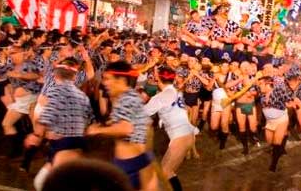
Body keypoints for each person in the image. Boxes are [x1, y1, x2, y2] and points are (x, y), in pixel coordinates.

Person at [87, 61, 157, 191]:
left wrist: (97, 130)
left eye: (108, 79)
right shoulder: (130, 96)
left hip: (129, 165)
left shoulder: (126, 99)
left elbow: (126, 129)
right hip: (139, 161)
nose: (104, 83)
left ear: (121, 79)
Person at [25, 57, 93, 191]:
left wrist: (37, 135)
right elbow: (89, 120)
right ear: (74, 77)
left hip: (63, 143)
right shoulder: (82, 95)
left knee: (45, 182)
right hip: (76, 142)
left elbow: (47, 117)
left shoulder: (56, 91)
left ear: (56, 75)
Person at [144, 66, 196, 191]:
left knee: (165, 172)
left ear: (158, 79)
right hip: (187, 135)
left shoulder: (161, 97)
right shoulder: (175, 90)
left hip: (180, 138)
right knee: (167, 172)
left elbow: (141, 113)